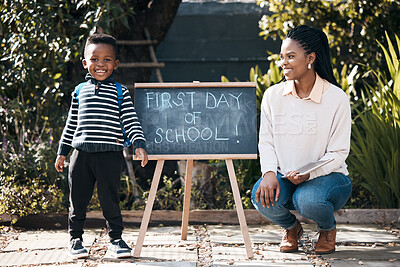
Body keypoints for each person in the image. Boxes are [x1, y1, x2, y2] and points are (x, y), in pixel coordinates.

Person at [251, 25, 352, 254]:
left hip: (329, 178)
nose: (283, 62)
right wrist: (268, 172)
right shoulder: (273, 96)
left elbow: (338, 153)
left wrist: (309, 173)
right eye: (281, 57)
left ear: (310, 58)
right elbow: (266, 141)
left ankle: (327, 229)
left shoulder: (336, 98)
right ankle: (291, 228)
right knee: (261, 196)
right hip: (286, 175)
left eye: (290, 56)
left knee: (308, 200)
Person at [55, 33, 148, 259]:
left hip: (109, 155)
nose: (100, 64)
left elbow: (130, 119)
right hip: (81, 155)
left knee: (110, 200)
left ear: (115, 64)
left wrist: (139, 144)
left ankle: (116, 239)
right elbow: (71, 123)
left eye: (107, 60)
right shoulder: (79, 91)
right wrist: (62, 152)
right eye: (94, 59)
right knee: (78, 200)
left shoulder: (119, 92)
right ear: (85, 62)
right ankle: (75, 239)